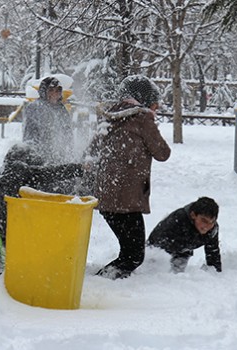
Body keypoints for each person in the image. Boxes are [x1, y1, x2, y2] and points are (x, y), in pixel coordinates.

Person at [86, 75, 171, 280]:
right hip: (127, 200)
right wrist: (150, 122)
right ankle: (101, 282)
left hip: (107, 196)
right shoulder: (142, 119)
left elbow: (91, 151)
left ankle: (105, 281)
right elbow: (162, 153)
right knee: (133, 256)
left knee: (129, 253)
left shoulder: (108, 116)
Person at [0, 143, 85, 284]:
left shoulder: (7, 173)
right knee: (2, 270)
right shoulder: (23, 171)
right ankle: (0, 290)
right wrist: (78, 168)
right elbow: (49, 173)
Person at [147, 197, 221, 273]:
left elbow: (213, 253)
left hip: (184, 250)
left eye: (211, 222)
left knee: (178, 274)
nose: (207, 226)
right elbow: (158, 250)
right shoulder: (177, 222)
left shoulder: (212, 229)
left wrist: (216, 274)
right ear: (193, 215)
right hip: (158, 250)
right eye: (204, 220)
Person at [22, 76, 74, 165]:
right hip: (40, 157)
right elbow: (30, 134)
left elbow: (67, 132)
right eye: (51, 90)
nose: (54, 94)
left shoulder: (61, 109)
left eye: (57, 91)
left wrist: (68, 151)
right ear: (43, 92)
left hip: (59, 157)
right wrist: (35, 156)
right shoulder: (35, 107)